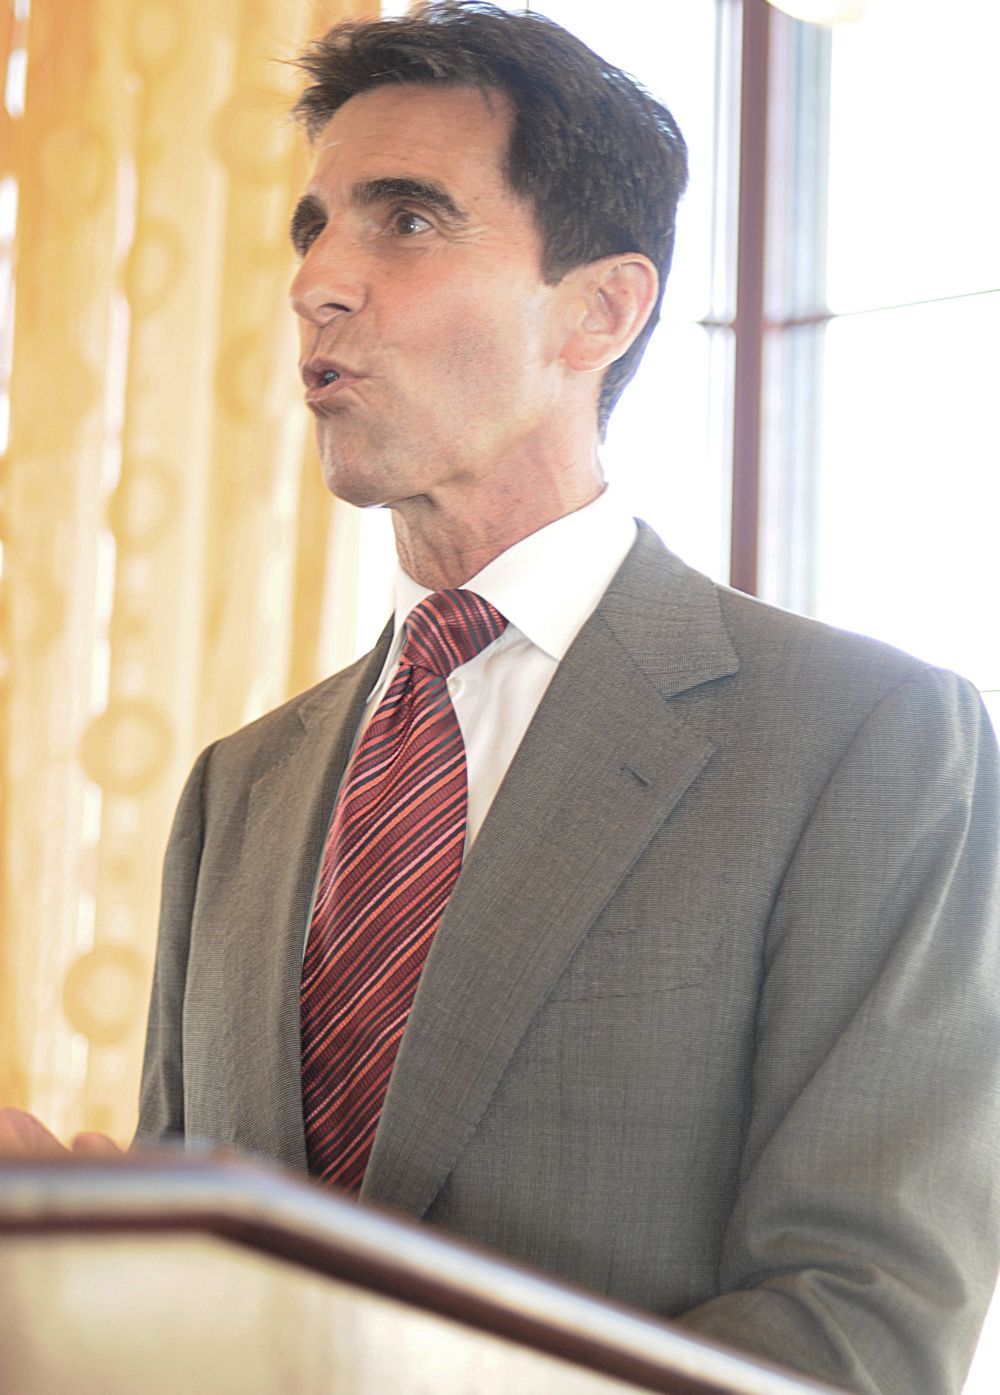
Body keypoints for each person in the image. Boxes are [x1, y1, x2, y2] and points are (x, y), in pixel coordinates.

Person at [3, 5, 998, 1393]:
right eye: (311, 228)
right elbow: (220, 1323)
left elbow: (860, 1335)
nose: (318, 283)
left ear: (601, 310)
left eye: (407, 221)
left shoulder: (868, 743)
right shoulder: (239, 788)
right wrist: (78, 1270)